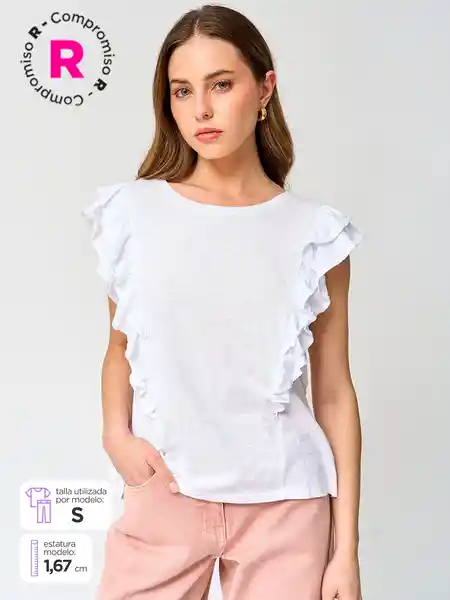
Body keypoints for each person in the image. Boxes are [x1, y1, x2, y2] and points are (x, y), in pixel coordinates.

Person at [82, 5, 364, 600]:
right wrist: (116, 437)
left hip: (287, 505)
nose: (201, 110)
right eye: (182, 90)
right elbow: (119, 348)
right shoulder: (131, 213)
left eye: (221, 84)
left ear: (264, 89)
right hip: (165, 492)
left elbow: (334, 391)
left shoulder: (316, 233)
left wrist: (346, 552)